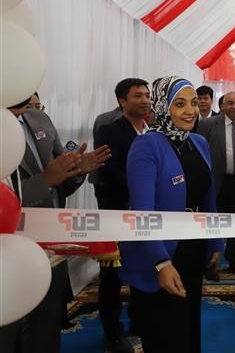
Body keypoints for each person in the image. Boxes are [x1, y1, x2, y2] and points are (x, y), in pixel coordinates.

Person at [119, 76, 223, 353]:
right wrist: (161, 263)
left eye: (193, 103)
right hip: (160, 252)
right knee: (164, 333)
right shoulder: (146, 146)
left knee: (187, 327)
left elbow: (208, 197)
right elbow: (143, 212)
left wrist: (216, 240)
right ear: (163, 107)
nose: (190, 110)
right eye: (179, 104)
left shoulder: (198, 142)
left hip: (193, 248)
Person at [1, 97, 110, 353]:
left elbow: (61, 176)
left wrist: (77, 170)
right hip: (9, 249)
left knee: (46, 327)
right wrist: (45, 181)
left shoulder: (38, 118)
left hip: (52, 244)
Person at [95, 78, 151, 353]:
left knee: (144, 267)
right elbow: (109, 172)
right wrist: (143, 186)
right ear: (122, 101)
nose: (145, 100)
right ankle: (112, 332)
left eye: (147, 95)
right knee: (112, 278)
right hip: (118, 212)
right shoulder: (110, 131)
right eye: (137, 95)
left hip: (148, 216)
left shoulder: (154, 132)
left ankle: (139, 322)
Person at [197, 91, 235, 278]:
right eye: (230, 103)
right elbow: (200, 153)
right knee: (214, 223)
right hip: (217, 182)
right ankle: (210, 264)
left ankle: (234, 259)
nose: (234, 106)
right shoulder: (206, 125)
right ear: (222, 106)